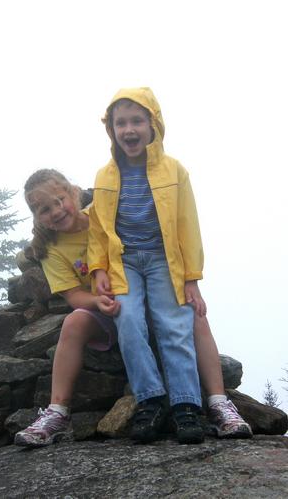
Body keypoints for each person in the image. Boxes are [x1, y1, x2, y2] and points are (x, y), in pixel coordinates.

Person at [88, 87, 252, 444]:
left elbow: (187, 225)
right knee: (128, 320)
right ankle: (151, 399)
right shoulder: (105, 176)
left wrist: (192, 278)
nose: (129, 130)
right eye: (121, 123)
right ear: (112, 130)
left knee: (174, 325)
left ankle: (186, 405)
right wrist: (99, 268)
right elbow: (99, 228)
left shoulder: (174, 170)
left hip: (165, 261)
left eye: (137, 121)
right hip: (124, 261)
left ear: (153, 124)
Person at [14, 169, 120, 447]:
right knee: (74, 322)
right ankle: (57, 413)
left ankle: (211, 398)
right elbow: (74, 296)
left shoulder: (102, 213)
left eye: (60, 200)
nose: (56, 211)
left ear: (73, 192)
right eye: (44, 209)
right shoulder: (52, 249)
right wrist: (96, 301)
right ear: (37, 218)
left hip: (137, 297)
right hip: (105, 311)